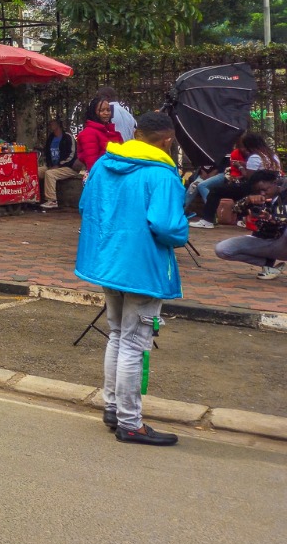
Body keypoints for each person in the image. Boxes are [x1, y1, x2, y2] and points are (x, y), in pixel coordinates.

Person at [74, 112, 188, 446]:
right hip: (142, 268)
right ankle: (130, 422)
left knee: (117, 335)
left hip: (108, 262)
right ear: (167, 141)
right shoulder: (163, 175)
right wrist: (183, 227)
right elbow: (168, 228)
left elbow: (86, 207)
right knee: (134, 342)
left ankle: (113, 408)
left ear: (136, 133)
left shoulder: (103, 165)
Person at [194, 133, 281, 227]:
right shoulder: (273, 156)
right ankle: (242, 218)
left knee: (216, 191)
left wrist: (239, 166)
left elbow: (250, 178)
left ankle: (208, 220)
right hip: (269, 186)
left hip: (254, 188)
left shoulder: (255, 157)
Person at [214, 174, 287, 280]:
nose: (262, 193)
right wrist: (247, 201)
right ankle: (267, 264)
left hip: (282, 241)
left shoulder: (283, 197)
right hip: (263, 241)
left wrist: (270, 217)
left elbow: (282, 220)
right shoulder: (256, 198)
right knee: (222, 249)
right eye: (258, 190)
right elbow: (234, 210)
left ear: (274, 184)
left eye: (265, 189)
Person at [38, 118, 81, 210]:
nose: (51, 125)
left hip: (69, 167)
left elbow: (72, 155)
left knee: (50, 174)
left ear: (59, 125)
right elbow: (47, 154)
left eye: (53, 123)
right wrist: (50, 164)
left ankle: (52, 200)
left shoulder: (68, 137)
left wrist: (60, 165)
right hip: (53, 166)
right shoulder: (50, 138)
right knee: (36, 171)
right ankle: (34, 197)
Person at [76, 91, 119, 176]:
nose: (106, 113)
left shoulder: (111, 131)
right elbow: (92, 164)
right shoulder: (89, 133)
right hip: (100, 177)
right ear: (94, 112)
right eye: (101, 110)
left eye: (108, 110)